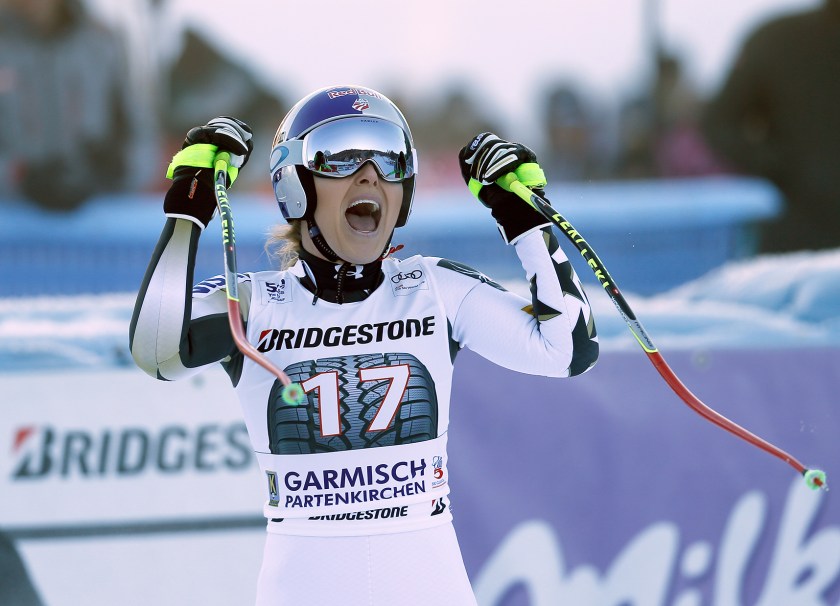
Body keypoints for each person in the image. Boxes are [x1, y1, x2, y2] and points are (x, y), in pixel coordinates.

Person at [129, 85, 599, 605]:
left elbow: (567, 350)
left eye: (389, 158)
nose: (370, 173)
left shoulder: (434, 289)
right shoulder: (256, 301)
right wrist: (188, 210)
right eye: (341, 156)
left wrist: (523, 218)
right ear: (295, 185)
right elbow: (157, 350)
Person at [701, 0, 840, 252]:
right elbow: (719, 122)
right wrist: (780, 167)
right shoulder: (778, 40)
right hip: (801, 234)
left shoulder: (776, 37)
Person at [0, 0, 134, 211]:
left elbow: (141, 139)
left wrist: (116, 171)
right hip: (10, 228)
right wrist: (18, 179)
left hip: (97, 227)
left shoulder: (103, 42)